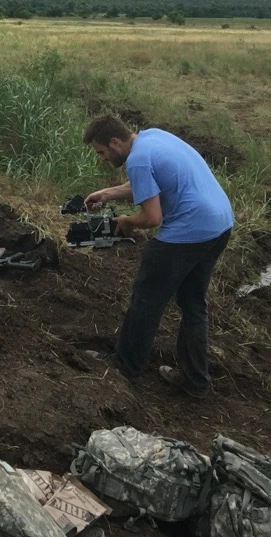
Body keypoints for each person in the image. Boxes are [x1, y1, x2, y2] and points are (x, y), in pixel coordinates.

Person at [82, 116, 234, 398]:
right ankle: (195, 381)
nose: (102, 159)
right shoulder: (152, 137)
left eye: (101, 152)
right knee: (192, 303)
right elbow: (152, 180)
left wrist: (127, 220)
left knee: (146, 299)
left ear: (115, 143)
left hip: (189, 230)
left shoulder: (137, 160)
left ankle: (126, 366)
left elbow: (152, 218)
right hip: (219, 225)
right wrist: (109, 193)